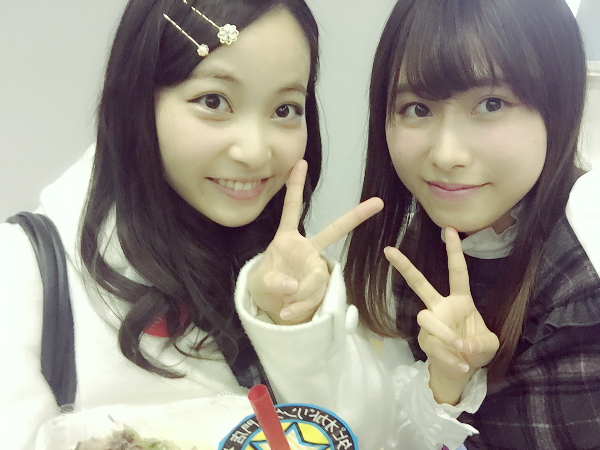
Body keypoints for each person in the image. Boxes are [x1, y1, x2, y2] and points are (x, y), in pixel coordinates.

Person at [0, 0, 385, 448]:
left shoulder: (286, 270)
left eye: (284, 109)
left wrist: (292, 328)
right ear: (139, 100)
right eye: (213, 101)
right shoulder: (24, 272)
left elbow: (369, 435)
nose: (254, 151)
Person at [343, 0, 600, 449]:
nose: (446, 155)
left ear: (558, 107)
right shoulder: (423, 243)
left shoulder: (584, 270)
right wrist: (448, 383)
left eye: (491, 103)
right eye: (417, 108)